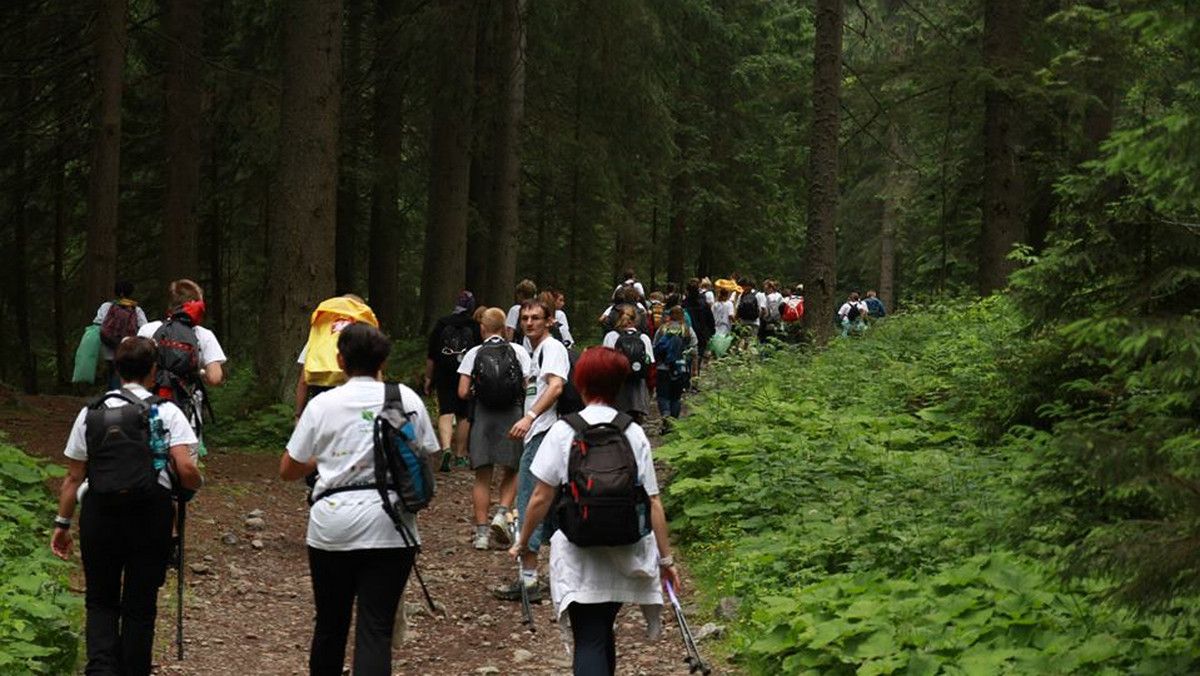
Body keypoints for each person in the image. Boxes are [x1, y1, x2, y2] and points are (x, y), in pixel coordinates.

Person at [509, 346, 679, 676]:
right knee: (602, 630)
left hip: (579, 549)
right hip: (625, 546)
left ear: (581, 381)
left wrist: (523, 542)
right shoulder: (632, 431)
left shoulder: (563, 430)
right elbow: (653, 501)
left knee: (589, 636)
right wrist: (666, 560)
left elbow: (540, 498)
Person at [280, 322, 438, 676]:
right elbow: (428, 454)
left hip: (331, 526)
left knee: (330, 626)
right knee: (375, 629)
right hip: (392, 525)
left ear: (340, 359)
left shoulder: (323, 404)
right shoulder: (406, 399)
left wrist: (325, 458)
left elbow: (288, 469)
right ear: (383, 359)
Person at [51, 337, 203, 676]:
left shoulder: (90, 412)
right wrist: (193, 484)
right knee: (140, 605)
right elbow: (187, 469)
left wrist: (62, 524)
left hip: (99, 512)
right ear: (154, 371)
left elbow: (73, 477)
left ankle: (102, 670)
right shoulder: (167, 411)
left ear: (117, 369)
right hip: (151, 513)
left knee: (101, 599)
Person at [493, 298, 569, 602]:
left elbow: (556, 386)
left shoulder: (551, 348)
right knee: (543, 505)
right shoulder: (536, 351)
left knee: (528, 501)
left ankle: (529, 581)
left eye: (536, 318)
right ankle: (538, 575)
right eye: (525, 318)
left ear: (549, 321)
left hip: (544, 434)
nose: (529, 323)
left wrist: (530, 416)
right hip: (542, 433)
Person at [457, 308, 531, 550]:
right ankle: (502, 512)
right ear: (504, 327)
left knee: (482, 476)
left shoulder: (474, 353)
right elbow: (527, 384)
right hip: (512, 414)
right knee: (513, 468)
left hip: (484, 416)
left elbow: (462, 392)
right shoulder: (519, 351)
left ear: (483, 328)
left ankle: (481, 535)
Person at [295, 294, 379, 419]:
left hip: (322, 399)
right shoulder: (363, 336)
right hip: (354, 396)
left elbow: (303, 381)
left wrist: (298, 414)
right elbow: (376, 373)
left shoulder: (320, 336)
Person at [425, 291, 482, 471]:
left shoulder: (442, 323)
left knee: (446, 411)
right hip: (466, 372)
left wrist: (428, 377)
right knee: (463, 414)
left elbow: (432, 354)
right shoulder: (474, 325)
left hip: (444, 371)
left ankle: (446, 448)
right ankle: (460, 455)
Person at [92, 280, 149, 389]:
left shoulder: (106, 306)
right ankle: (122, 395)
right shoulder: (136, 309)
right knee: (123, 371)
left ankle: (112, 395)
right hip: (127, 347)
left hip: (109, 345)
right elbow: (144, 326)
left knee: (112, 370)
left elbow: (98, 322)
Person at [602, 306, 654, 424]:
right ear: (636, 320)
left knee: (617, 420)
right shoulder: (643, 337)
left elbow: (604, 363)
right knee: (635, 421)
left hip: (617, 385)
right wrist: (650, 389)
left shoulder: (611, 336)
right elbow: (650, 364)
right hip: (638, 385)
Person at [653, 306, 697, 420]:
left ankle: (665, 415)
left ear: (670, 315)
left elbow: (655, 347)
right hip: (681, 367)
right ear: (683, 316)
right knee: (676, 397)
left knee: (663, 396)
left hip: (663, 367)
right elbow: (694, 350)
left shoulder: (662, 329)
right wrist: (694, 370)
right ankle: (673, 422)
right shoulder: (687, 329)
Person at [684, 278, 715, 377]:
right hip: (701, 333)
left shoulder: (684, 303)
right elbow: (710, 318)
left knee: (687, 354)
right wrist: (711, 331)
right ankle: (695, 377)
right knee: (698, 356)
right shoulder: (703, 303)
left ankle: (687, 377)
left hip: (687, 332)